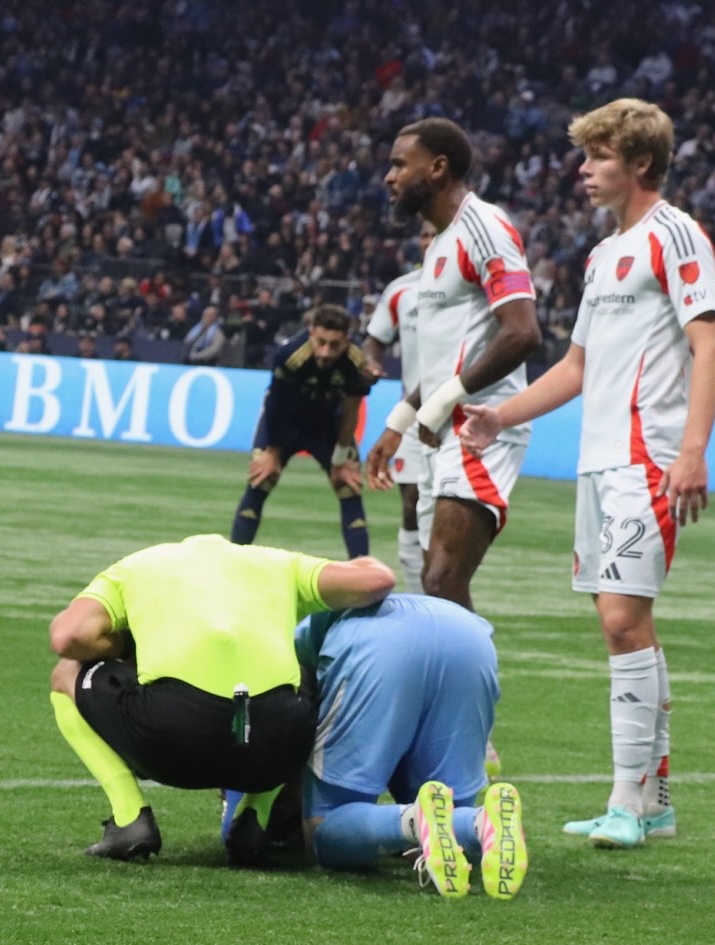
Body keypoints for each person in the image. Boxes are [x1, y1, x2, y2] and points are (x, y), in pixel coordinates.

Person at [459, 98, 715, 847]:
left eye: (599, 156)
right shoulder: (604, 254)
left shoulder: (676, 235)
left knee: (620, 621)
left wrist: (693, 450)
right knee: (629, 624)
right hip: (600, 462)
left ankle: (625, 804)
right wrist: (500, 416)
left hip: (649, 457)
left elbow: (711, 346)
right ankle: (654, 802)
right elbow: (576, 366)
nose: (583, 169)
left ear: (640, 163)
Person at [47, 534, 395, 861]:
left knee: (66, 672)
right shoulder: (279, 563)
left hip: (171, 741)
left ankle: (129, 817)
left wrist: (127, 646)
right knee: (302, 673)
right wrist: (363, 561)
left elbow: (67, 637)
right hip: (274, 749)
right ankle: (255, 818)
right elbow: (377, 581)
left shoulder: (136, 566)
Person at [365, 117, 542, 611]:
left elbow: (523, 332)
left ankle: (473, 668)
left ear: (438, 168)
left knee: (443, 578)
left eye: (400, 164)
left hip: (479, 427)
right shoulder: (440, 243)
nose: (389, 176)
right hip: (438, 428)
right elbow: (445, 360)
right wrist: (399, 422)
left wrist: (442, 403)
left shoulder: (483, 226)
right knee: (433, 584)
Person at [292, 594, 527, 899]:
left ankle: (413, 822)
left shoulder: (298, 635)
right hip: (470, 637)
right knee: (449, 806)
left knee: (322, 827)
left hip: (376, 644)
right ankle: (479, 823)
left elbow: (284, 718)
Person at [230, 305, 374, 558]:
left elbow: (352, 410)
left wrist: (341, 458)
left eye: (334, 345)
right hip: (284, 424)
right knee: (261, 479)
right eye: (321, 342)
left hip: (328, 427)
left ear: (346, 340)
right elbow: (274, 404)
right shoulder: (289, 355)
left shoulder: (356, 362)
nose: (326, 352)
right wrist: (272, 452)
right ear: (311, 334)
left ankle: (362, 571)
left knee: (348, 485)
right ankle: (235, 561)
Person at [361, 219, 438, 593]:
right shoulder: (401, 291)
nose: (429, 241)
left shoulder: (471, 289)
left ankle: (442, 589)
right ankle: (418, 594)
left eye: (436, 234)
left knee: (447, 512)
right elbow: (374, 338)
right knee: (411, 503)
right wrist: (372, 362)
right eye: (424, 235)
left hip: (460, 415)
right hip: (411, 414)